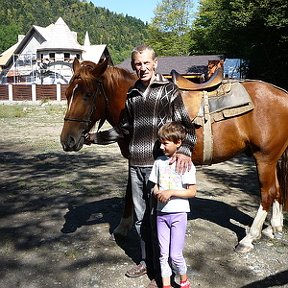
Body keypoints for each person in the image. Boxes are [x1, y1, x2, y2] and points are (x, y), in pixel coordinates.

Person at [86, 44, 197, 288]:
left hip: (160, 167)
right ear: (133, 66)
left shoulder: (169, 91)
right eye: (137, 63)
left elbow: (187, 127)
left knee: (158, 217)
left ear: (155, 64)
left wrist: (186, 151)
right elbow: (124, 129)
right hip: (135, 165)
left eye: (146, 63)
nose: (142, 68)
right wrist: (97, 138)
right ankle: (147, 262)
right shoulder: (132, 93)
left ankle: (163, 267)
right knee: (139, 218)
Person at [149, 122, 197, 288]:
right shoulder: (158, 163)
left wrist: (170, 192)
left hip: (178, 215)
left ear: (178, 143)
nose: (161, 147)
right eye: (161, 142)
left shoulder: (187, 165)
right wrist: (157, 193)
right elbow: (154, 185)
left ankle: (184, 281)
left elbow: (192, 192)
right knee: (163, 255)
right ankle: (167, 285)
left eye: (165, 143)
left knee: (175, 255)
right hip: (161, 215)